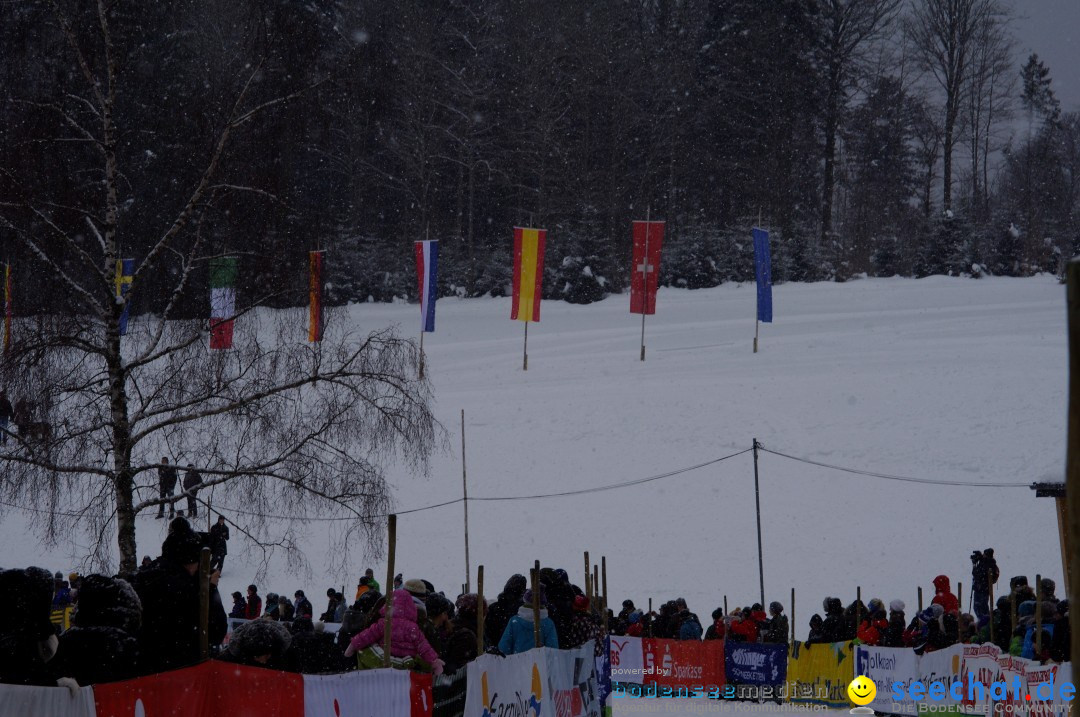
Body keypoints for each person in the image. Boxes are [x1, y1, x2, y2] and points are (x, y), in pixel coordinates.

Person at [132, 526, 227, 674]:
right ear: (191, 561)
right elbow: (216, 630)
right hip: (181, 672)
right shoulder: (186, 587)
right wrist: (210, 589)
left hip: (145, 672)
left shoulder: (144, 578)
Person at [345, 589, 444, 673]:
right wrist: (434, 661)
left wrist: (353, 645)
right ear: (411, 608)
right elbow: (424, 647)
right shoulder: (414, 628)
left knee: (367, 651)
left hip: (385, 658)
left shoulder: (385, 623)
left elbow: (366, 635)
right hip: (407, 662)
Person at [498, 588, 559, 655]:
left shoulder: (514, 621)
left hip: (517, 663)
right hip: (540, 663)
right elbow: (553, 652)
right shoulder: (548, 624)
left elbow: (503, 649)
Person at [485, 574, 527, 649]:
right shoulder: (523, 609)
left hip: (496, 651)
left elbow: (488, 633)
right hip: (517, 652)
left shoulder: (495, 607)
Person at [970, 549, 999, 628]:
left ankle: (985, 624)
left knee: (980, 608)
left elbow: (979, 573)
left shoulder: (989, 563)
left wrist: (978, 561)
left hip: (982, 589)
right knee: (980, 607)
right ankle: (984, 623)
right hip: (981, 589)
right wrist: (975, 563)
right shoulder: (986, 563)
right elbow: (976, 573)